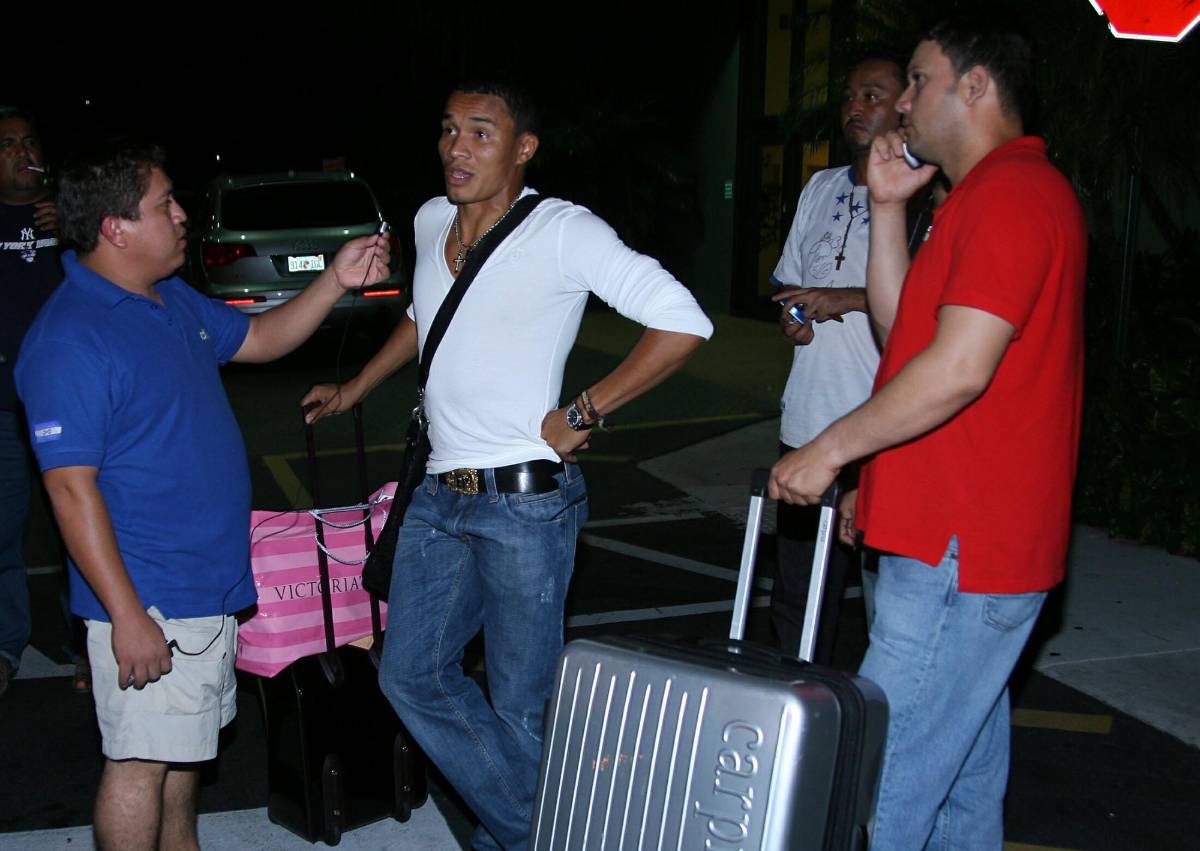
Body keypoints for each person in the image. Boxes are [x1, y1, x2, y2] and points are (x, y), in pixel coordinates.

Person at [302, 82, 712, 850]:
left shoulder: (563, 230)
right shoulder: (430, 218)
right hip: (437, 496)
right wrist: (358, 385)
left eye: (481, 133)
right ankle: (543, 833)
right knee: (410, 675)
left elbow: (682, 321)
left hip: (524, 504)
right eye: (448, 129)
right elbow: (425, 313)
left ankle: (526, 836)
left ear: (524, 148)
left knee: (522, 708)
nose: (457, 147)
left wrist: (584, 411)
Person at [16, 139, 390, 851]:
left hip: (206, 586)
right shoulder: (70, 338)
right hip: (151, 594)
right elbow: (68, 489)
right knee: (138, 763)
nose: (183, 215)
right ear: (116, 228)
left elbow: (261, 338)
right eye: (165, 204)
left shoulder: (167, 297)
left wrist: (335, 279)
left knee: (181, 755)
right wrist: (127, 615)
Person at [768, 16, 1086, 850]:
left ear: (974, 85)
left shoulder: (1014, 194)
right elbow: (903, 330)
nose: (903, 102)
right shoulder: (976, 197)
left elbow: (957, 369)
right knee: (960, 791)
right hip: (952, 542)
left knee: (879, 788)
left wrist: (831, 449)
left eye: (918, 79)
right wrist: (886, 208)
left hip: (962, 550)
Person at [767, 54, 905, 664]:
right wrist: (794, 317)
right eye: (850, 95)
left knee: (893, 599)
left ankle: (885, 711)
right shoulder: (820, 187)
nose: (855, 106)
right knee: (799, 592)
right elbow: (791, 287)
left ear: (907, 103)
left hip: (887, 429)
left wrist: (846, 298)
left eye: (872, 95)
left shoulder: (926, 196)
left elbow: (934, 307)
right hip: (808, 420)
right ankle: (799, 703)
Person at [0, 106, 61, 696]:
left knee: (84, 524)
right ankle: (4, 643)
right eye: (7, 144)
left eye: (29, 141)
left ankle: (92, 640)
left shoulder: (71, 219)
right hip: (4, 407)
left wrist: (76, 232)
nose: (22, 152)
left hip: (70, 403)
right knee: (3, 530)